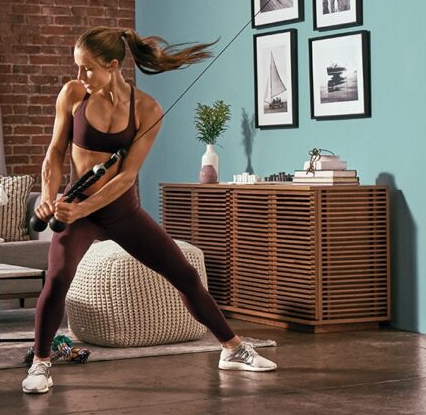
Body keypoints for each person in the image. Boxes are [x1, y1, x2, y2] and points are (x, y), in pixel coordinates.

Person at [22, 27, 277, 394]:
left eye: (88, 68)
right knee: (58, 278)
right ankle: (41, 363)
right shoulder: (74, 94)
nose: (79, 77)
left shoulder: (147, 109)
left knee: (185, 275)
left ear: (112, 66)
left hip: (121, 210)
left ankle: (232, 349)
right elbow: (54, 154)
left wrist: (83, 209)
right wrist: (49, 196)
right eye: (77, 68)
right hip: (75, 206)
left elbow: (126, 177)